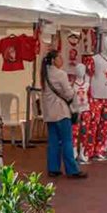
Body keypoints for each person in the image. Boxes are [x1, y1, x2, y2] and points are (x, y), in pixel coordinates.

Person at [41, 50, 87, 179]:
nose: (62, 60)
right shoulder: (60, 74)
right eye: (59, 57)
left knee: (53, 141)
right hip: (61, 111)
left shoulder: (44, 74)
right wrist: (73, 92)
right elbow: (68, 93)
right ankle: (72, 170)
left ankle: (53, 168)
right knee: (67, 140)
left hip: (49, 113)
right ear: (53, 60)